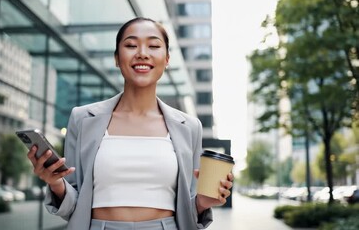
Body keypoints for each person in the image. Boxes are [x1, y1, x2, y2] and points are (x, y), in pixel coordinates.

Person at [27, 17, 234, 230]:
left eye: (154, 45)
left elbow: (187, 208)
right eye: (131, 45)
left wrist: (202, 202)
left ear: (167, 59)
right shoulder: (82, 119)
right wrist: (55, 182)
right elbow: (73, 207)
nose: (142, 53)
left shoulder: (189, 127)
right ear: (117, 58)